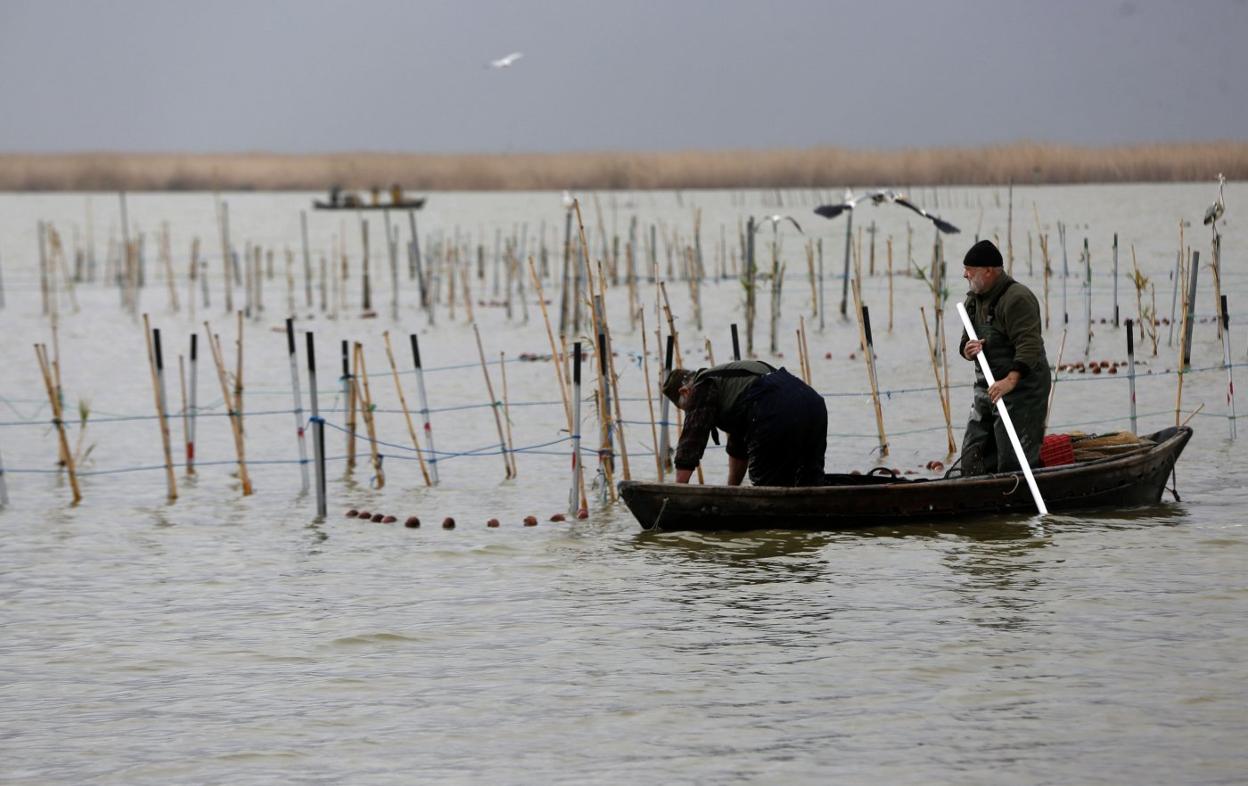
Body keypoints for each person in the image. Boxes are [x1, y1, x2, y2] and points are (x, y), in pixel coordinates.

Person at [956, 239, 1051, 474]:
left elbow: (1029, 345)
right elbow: (963, 343)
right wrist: (968, 350)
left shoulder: (1017, 298)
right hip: (986, 388)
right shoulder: (972, 301)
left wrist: (1010, 381)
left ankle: (1019, 498)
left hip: (1021, 389)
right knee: (972, 457)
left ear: (989, 271)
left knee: (1012, 461)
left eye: (970, 270)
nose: (964, 274)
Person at [661, 360, 827, 486]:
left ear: (684, 392)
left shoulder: (702, 386)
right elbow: (738, 448)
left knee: (767, 490)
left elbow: (692, 440)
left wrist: (677, 492)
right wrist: (731, 491)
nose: (689, 413)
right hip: (814, 404)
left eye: (685, 409)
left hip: (774, 407)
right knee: (808, 480)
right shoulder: (732, 385)